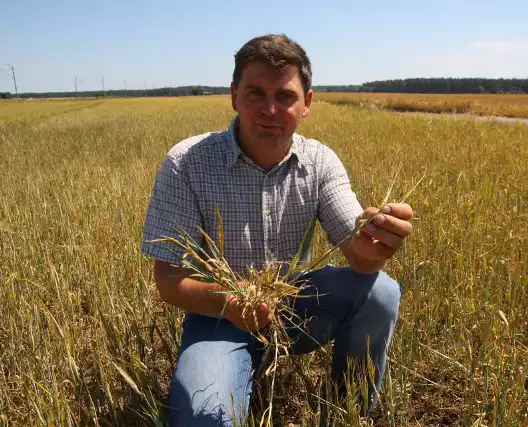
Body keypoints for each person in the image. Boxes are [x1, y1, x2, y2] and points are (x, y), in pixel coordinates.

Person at [141, 33, 414, 426]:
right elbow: (169, 281)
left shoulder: (320, 162)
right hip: (218, 315)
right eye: (255, 93)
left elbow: (357, 250)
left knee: (382, 291)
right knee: (204, 417)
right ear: (234, 96)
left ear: (307, 104)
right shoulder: (187, 163)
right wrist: (231, 303)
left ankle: (347, 411)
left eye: (285, 96)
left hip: (295, 304)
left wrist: (376, 240)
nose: (270, 108)